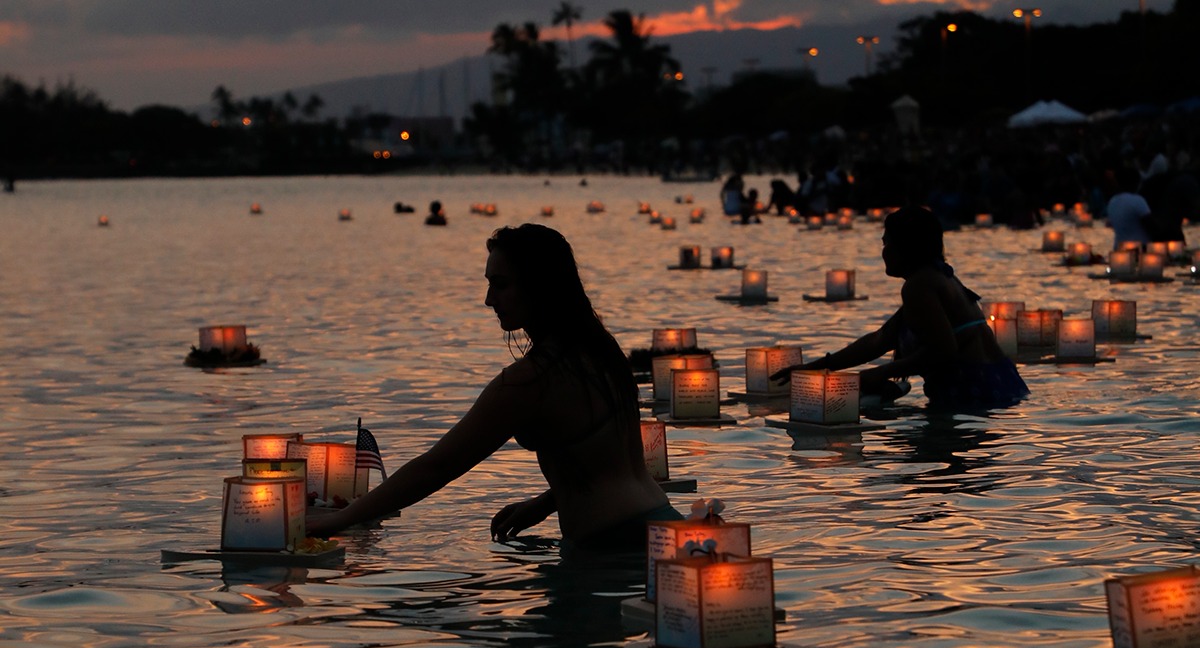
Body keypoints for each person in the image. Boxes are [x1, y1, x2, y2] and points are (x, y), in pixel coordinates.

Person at [307, 223, 681, 549]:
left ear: (539, 286)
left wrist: (337, 521)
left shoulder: (529, 382)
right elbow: (608, 462)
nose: (489, 300)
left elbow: (436, 468)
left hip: (615, 546)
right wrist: (545, 503)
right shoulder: (602, 350)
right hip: (663, 524)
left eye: (500, 285)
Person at [771, 206, 1028, 410]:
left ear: (905, 246)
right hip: (1000, 390)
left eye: (886, 243)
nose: (883, 252)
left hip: (975, 397)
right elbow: (880, 340)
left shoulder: (920, 285)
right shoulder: (939, 277)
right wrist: (815, 368)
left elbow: (943, 350)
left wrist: (881, 373)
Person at [1105, 167, 1154, 248]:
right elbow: (1151, 226)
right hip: (1139, 250)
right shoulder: (1138, 201)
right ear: (1135, 183)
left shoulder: (1112, 201)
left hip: (1119, 250)